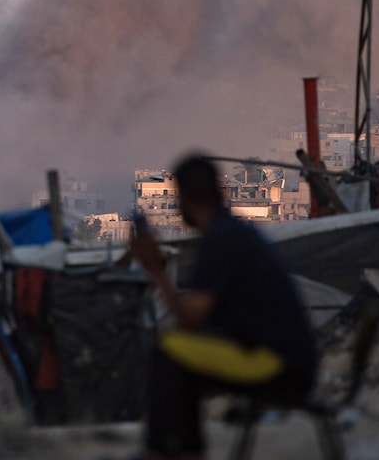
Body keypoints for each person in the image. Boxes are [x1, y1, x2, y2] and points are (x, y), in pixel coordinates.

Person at [130, 154, 317, 460]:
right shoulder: (230, 232)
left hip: (278, 366)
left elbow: (189, 320)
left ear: (185, 198)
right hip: (286, 361)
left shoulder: (221, 239)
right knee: (179, 355)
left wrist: (156, 269)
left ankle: (164, 452)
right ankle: (182, 450)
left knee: (168, 352)